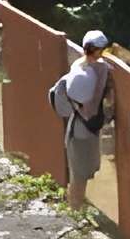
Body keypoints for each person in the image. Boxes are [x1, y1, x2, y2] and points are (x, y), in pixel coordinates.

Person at [48, 31, 116, 216]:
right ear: (99, 50)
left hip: (83, 129)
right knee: (79, 176)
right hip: (81, 132)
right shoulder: (89, 74)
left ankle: (77, 209)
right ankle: (75, 213)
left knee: (82, 173)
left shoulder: (80, 66)